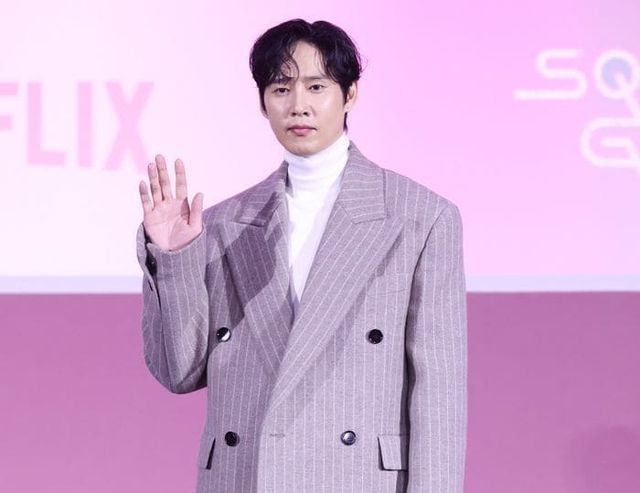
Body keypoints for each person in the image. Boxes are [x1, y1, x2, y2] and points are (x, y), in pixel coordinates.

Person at [136, 18, 467, 493]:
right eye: (280, 88)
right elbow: (179, 371)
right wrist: (175, 258)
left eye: (317, 87)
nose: (298, 106)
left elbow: (439, 393)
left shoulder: (420, 218)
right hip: (245, 478)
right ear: (262, 103)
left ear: (350, 94)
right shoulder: (224, 224)